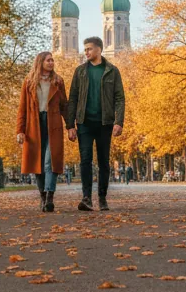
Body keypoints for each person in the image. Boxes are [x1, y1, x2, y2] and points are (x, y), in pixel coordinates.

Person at [67, 36, 126, 211]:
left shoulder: (112, 71)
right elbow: (73, 99)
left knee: (103, 162)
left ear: (99, 50)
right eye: (85, 49)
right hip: (84, 122)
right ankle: (86, 198)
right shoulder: (80, 71)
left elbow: (119, 98)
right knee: (85, 160)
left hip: (105, 122)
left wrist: (118, 121)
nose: (86, 52)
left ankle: (102, 197)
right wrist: (70, 125)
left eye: (89, 49)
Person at [16, 51, 72, 212]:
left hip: (53, 124)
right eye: (48, 60)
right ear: (40, 62)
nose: (51, 62)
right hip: (34, 125)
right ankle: (42, 196)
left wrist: (70, 126)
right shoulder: (28, 82)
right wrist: (20, 130)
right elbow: (22, 109)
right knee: (37, 163)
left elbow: (65, 106)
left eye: (52, 60)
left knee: (50, 161)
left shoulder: (58, 81)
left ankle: (49, 197)